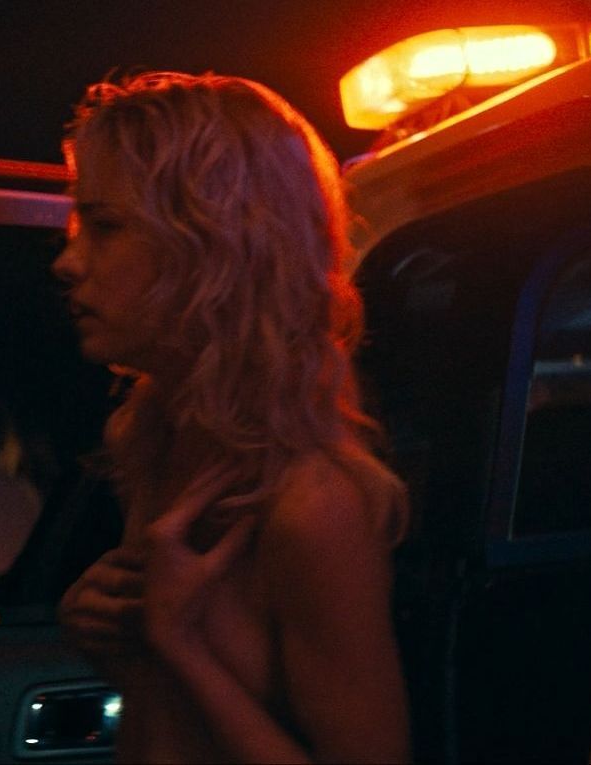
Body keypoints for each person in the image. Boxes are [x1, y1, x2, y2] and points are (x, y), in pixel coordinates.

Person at [51, 72, 411, 763]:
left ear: (212, 243)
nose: (67, 262)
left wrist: (178, 642)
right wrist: (107, 639)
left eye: (104, 227)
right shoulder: (151, 440)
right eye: (76, 227)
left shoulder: (312, 504)